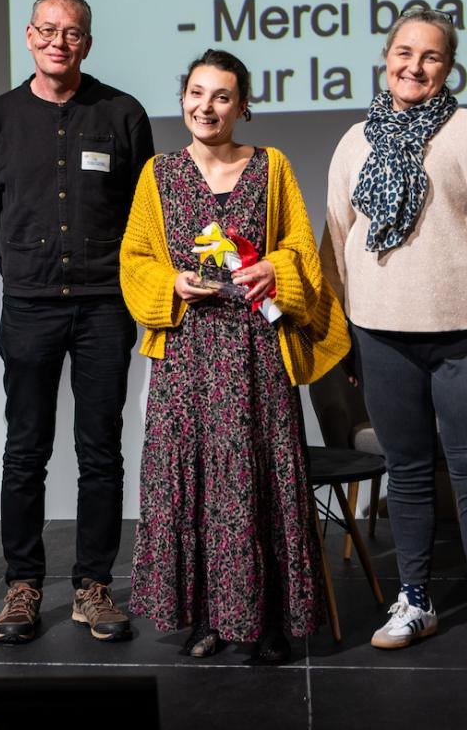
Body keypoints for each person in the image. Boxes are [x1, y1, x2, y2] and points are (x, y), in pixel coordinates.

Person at [319, 8, 467, 670]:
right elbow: (335, 239)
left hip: (466, 334)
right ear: (386, 56)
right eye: (404, 52)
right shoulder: (356, 139)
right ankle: (416, 599)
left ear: (448, 66)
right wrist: (343, 333)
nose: (415, 65)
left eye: (431, 56)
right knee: (406, 476)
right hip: (380, 333)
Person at [120, 49, 349, 663]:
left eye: (222, 96)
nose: (207, 106)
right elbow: (136, 259)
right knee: (192, 484)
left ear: (242, 106)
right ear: (183, 98)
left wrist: (275, 267)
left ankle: (268, 617)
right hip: (187, 353)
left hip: (254, 351)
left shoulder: (271, 166)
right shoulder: (158, 173)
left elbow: (301, 246)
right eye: (197, 93)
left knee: (259, 480)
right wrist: (170, 283)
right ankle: (206, 616)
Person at [0, 0, 154, 644]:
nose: (58, 41)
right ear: (28, 36)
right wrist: (23, 269)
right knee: (26, 451)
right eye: (47, 30)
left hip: (106, 307)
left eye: (71, 33)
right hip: (29, 308)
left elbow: (144, 215)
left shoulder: (123, 114)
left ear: (87, 43)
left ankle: (93, 586)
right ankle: (22, 586)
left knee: (100, 451)